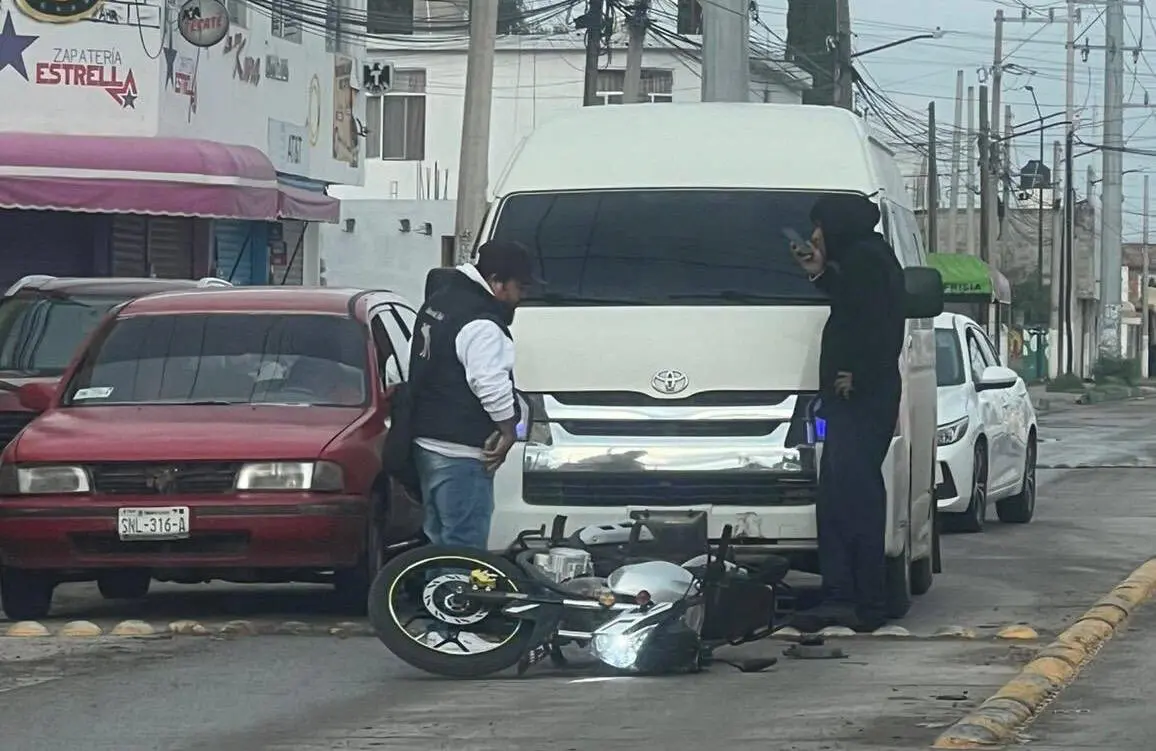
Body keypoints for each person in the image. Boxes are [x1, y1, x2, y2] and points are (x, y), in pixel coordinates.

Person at [788, 193, 907, 634]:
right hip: (860, 394)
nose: (815, 234)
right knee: (839, 497)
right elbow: (851, 302)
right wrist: (818, 272)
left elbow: (873, 325)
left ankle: (860, 601)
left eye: (819, 225)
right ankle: (846, 596)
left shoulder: (866, 260)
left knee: (851, 501)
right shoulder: (866, 259)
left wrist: (849, 373)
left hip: (860, 395)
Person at [407, 240, 536, 550]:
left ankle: (434, 595)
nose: (522, 296)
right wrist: (507, 431)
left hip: (427, 442)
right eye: (519, 287)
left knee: (438, 542)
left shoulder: (440, 301)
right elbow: (489, 382)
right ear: (496, 282)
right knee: (464, 548)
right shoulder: (481, 321)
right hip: (460, 453)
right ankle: (456, 597)